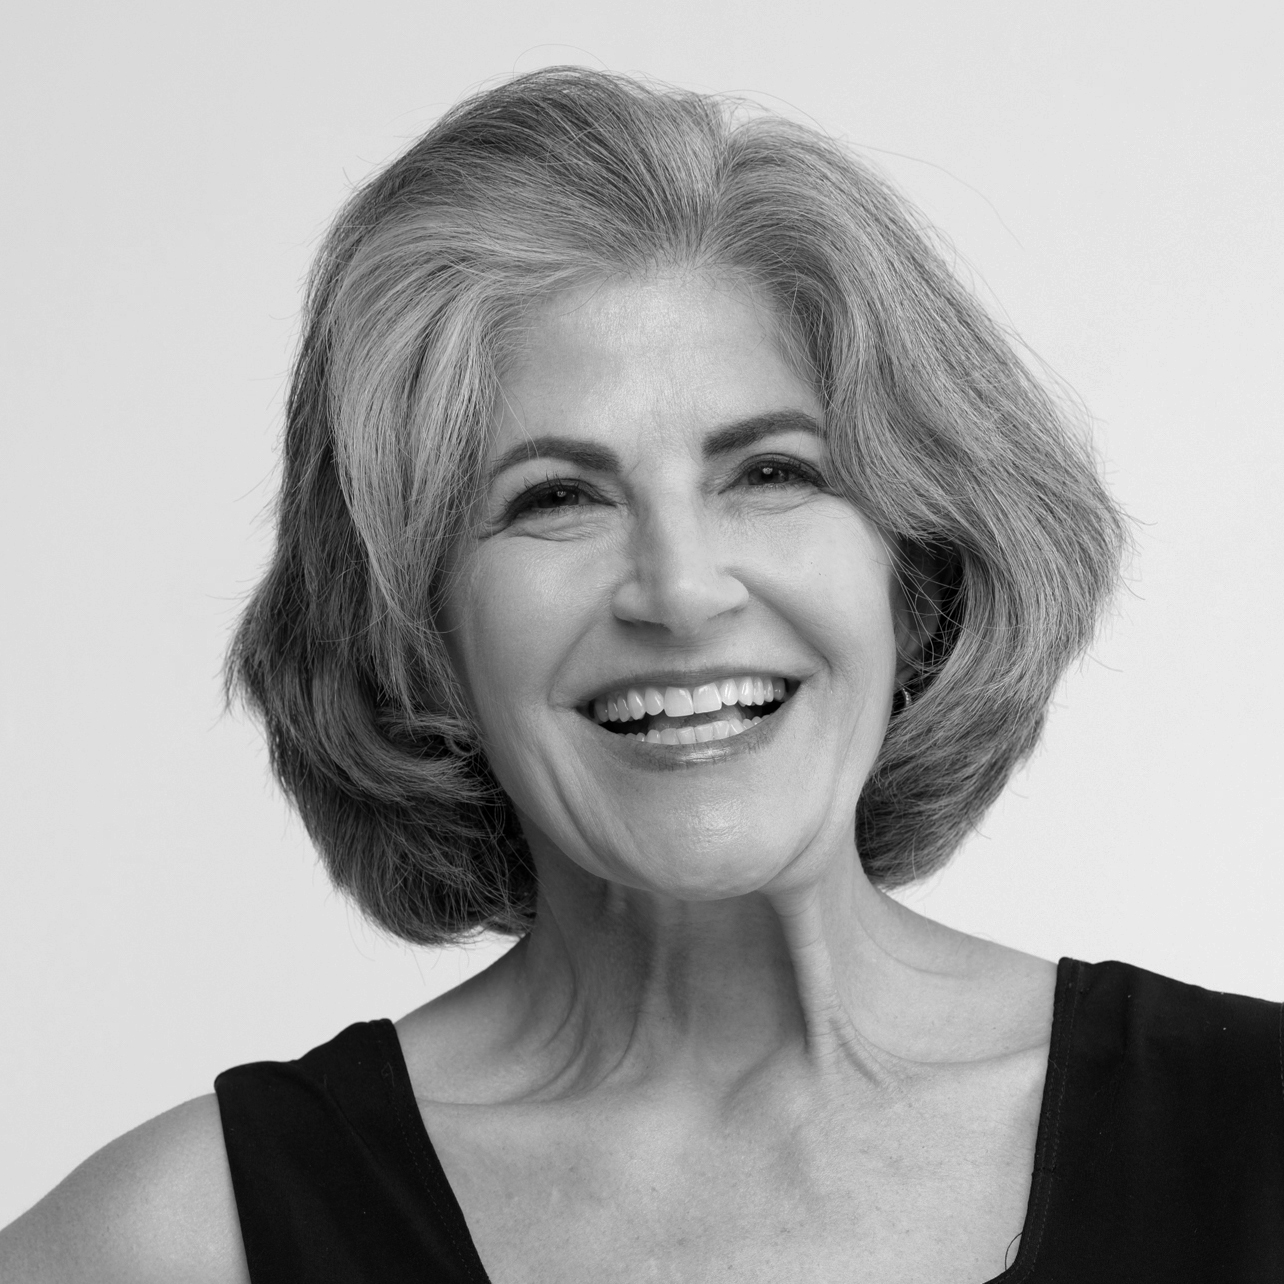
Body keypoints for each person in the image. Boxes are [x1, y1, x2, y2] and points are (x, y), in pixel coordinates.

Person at [2, 67, 1280, 1283]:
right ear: (415, 630)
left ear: (920, 568)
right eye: (555, 498)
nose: (680, 590)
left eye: (772, 473)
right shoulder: (185, 1243)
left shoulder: (1256, 1134)